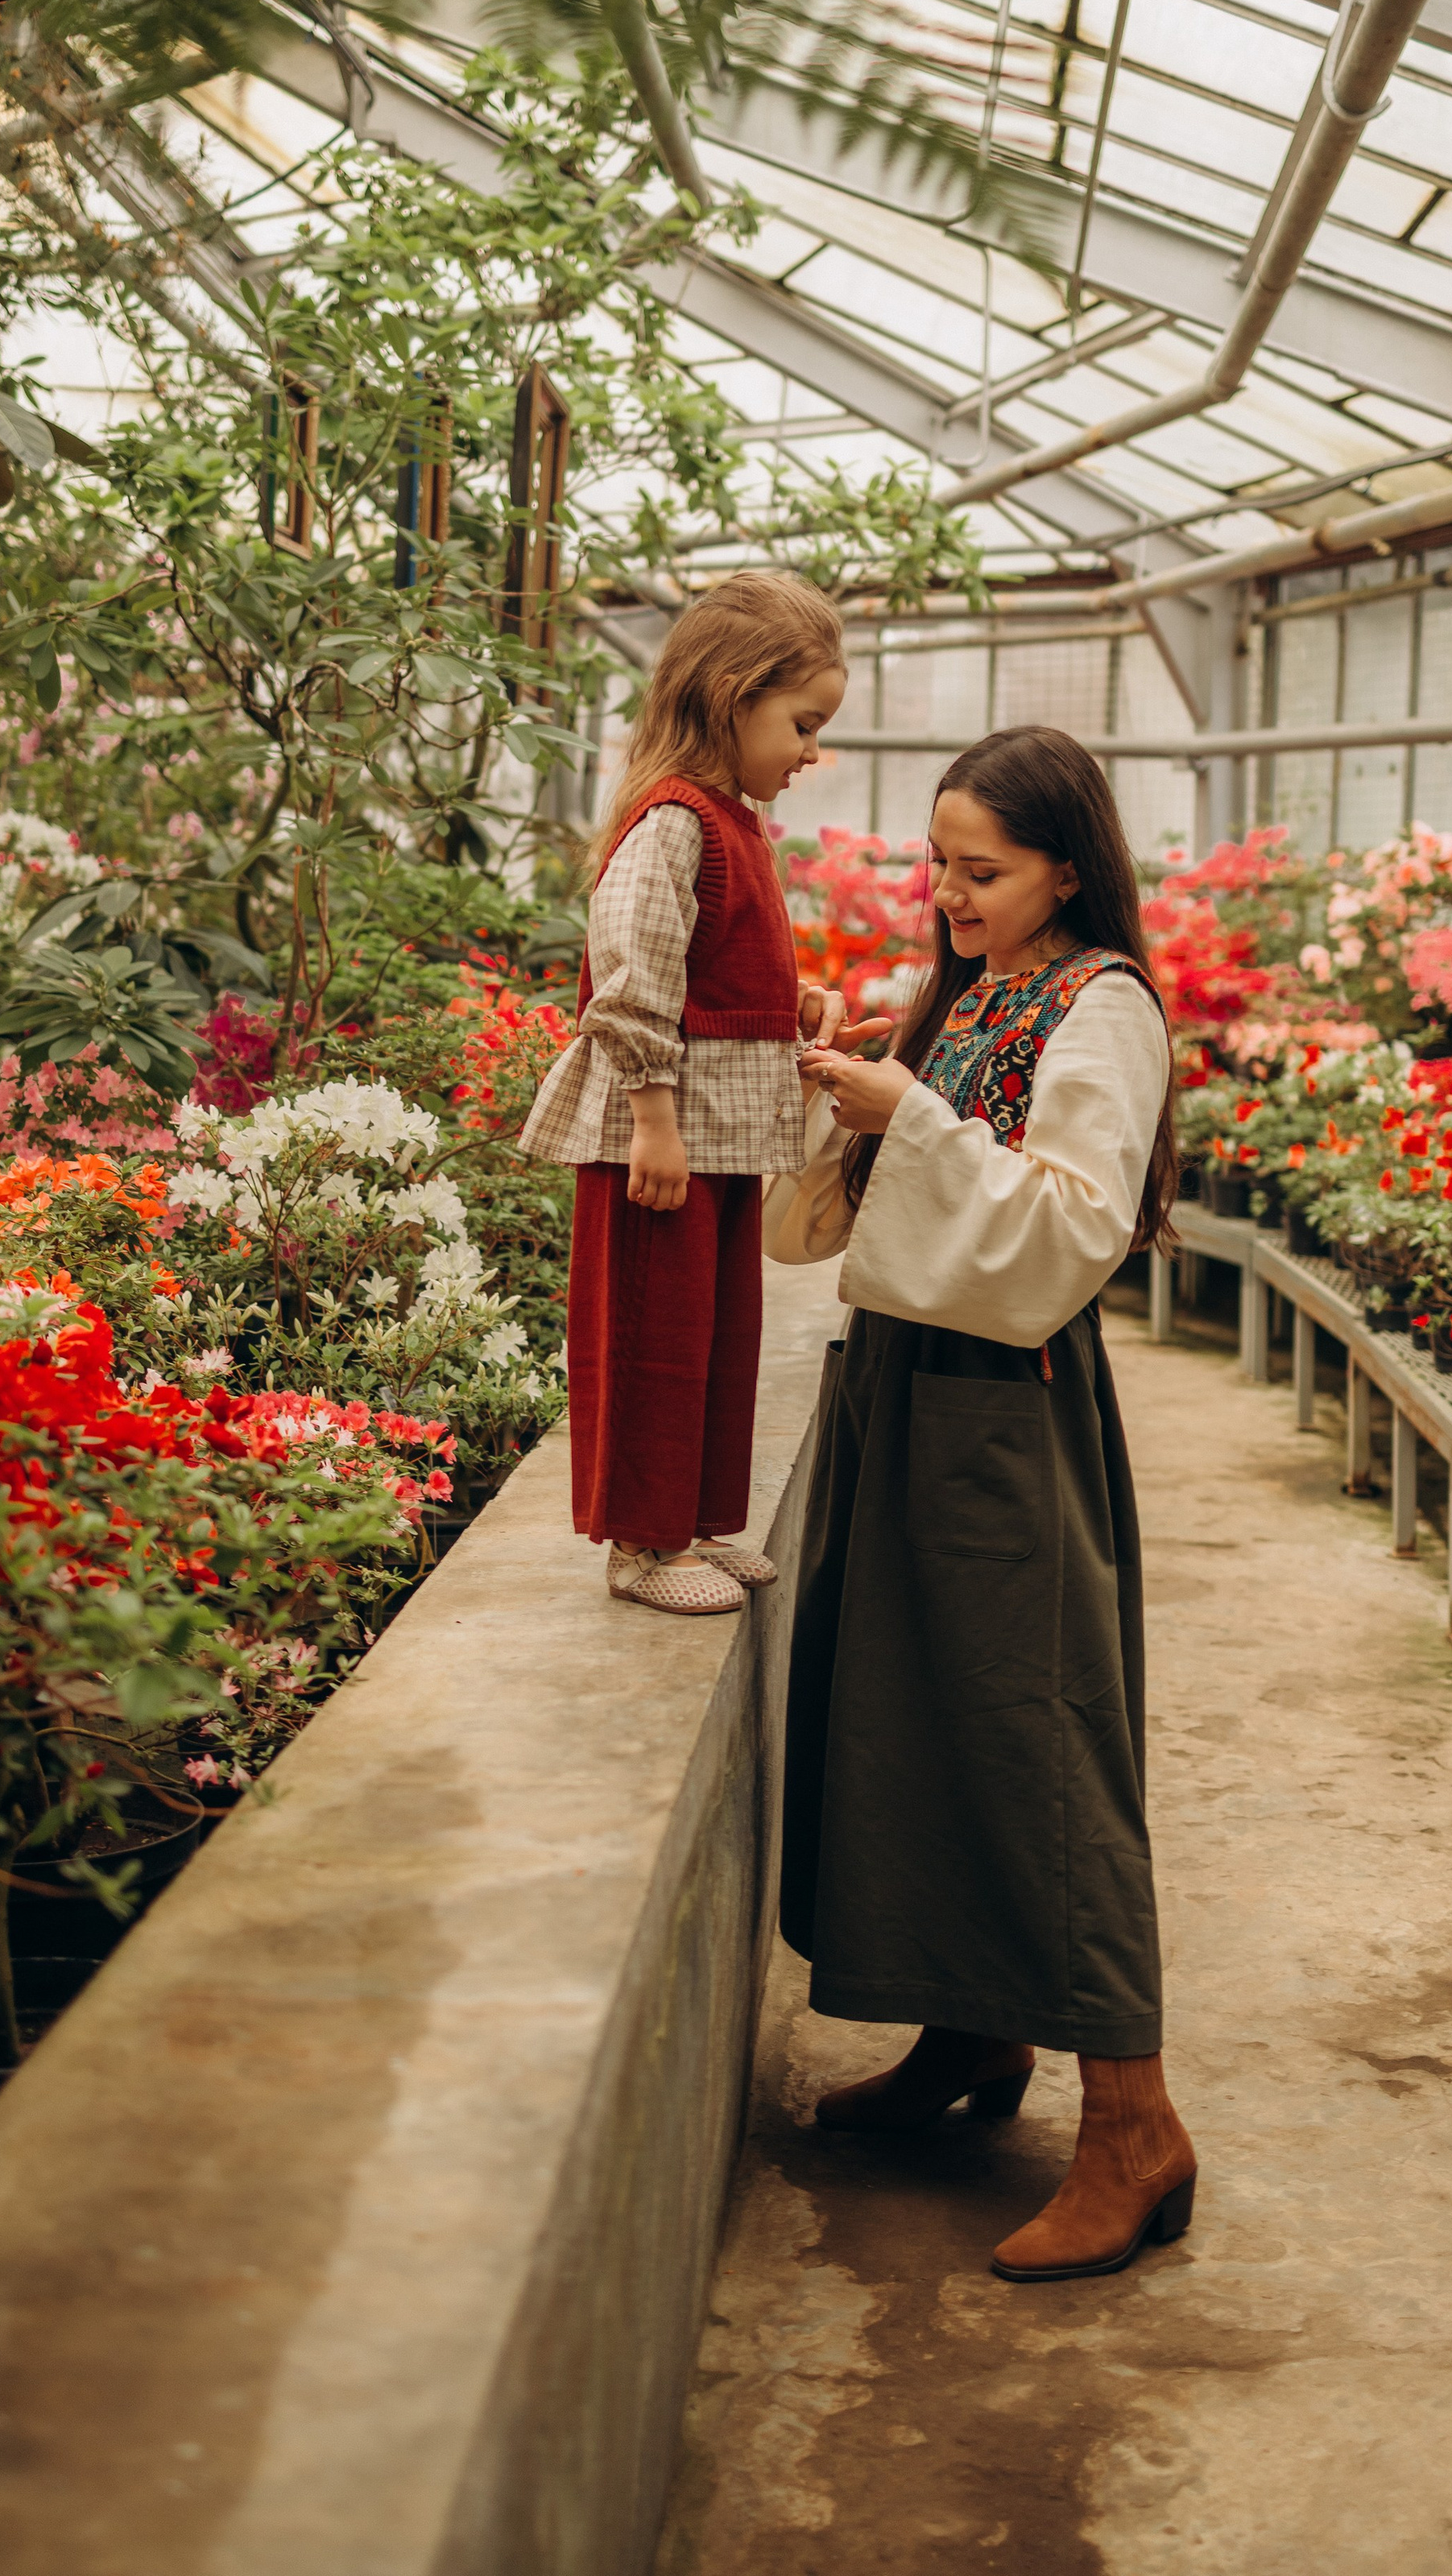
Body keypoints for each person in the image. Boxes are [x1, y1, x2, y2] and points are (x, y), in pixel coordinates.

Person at [767, 722, 1196, 2282]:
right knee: (916, 1716)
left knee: (1036, 1743)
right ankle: (971, 2037)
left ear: (1064, 868)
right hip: (907, 1387)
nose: (944, 891)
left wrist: (914, 1120)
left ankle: (1132, 2126)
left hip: (997, 1414)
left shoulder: (1098, 1007)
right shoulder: (984, 993)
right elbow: (891, 1194)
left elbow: (1069, 1228)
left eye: (980, 869)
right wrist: (855, 1086)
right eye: (936, 863)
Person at [521, 568, 875, 1615]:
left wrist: (796, 1001)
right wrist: (652, 1125)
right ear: (732, 695)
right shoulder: (674, 821)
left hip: (718, 1136)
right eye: (803, 724)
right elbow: (632, 977)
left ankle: (697, 1522)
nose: (813, 752)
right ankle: (640, 1543)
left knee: (719, 1335)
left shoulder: (732, 820)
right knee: (652, 1338)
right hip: (664, 1141)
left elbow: (707, 963)